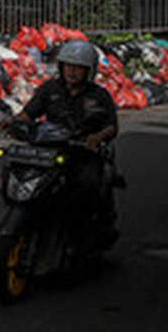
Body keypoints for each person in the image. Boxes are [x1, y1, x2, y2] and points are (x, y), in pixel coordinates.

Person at [10, 40, 119, 243]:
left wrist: (97, 138)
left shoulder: (99, 96)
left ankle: (86, 233)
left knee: (87, 185)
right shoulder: (49, 89)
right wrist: (14, 123)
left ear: (89, 71)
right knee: (17, 171)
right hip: (50, 150)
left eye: (78, 68)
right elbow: (28, 114)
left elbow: (112, 126)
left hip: (82, 152)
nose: (72, 72)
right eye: (68, 66)